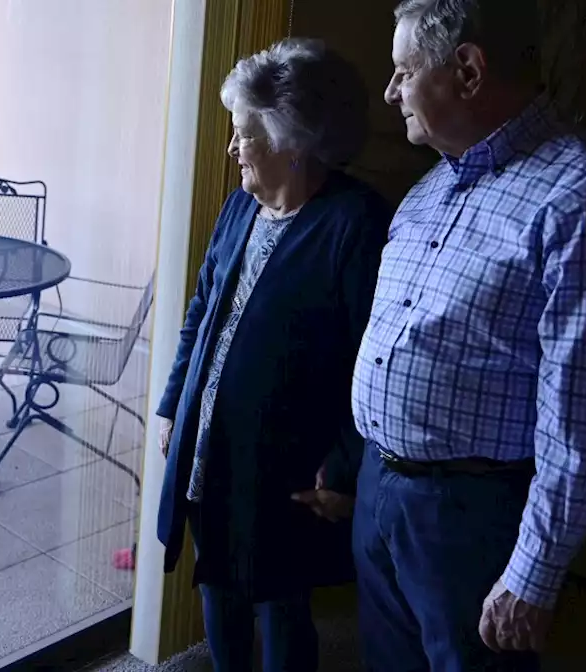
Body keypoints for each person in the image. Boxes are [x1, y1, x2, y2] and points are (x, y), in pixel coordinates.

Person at [351, 1, 586, 670]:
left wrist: (534, 570)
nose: (390, 92)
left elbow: (582, 415)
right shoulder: (431, 189)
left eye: (404, 72)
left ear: (467, 71)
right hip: (380, 488)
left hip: (471, 516)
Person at [154, 38, 391, 672]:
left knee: (281, 601)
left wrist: (345, 463)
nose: (232, 149)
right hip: (212, 444)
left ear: (290, 139)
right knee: (218, 583)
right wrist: (174, 406)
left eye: (244, 134)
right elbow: (201, 312)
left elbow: (376, 355)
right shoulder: (240, 206)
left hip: (287, 461)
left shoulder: (354, 222)